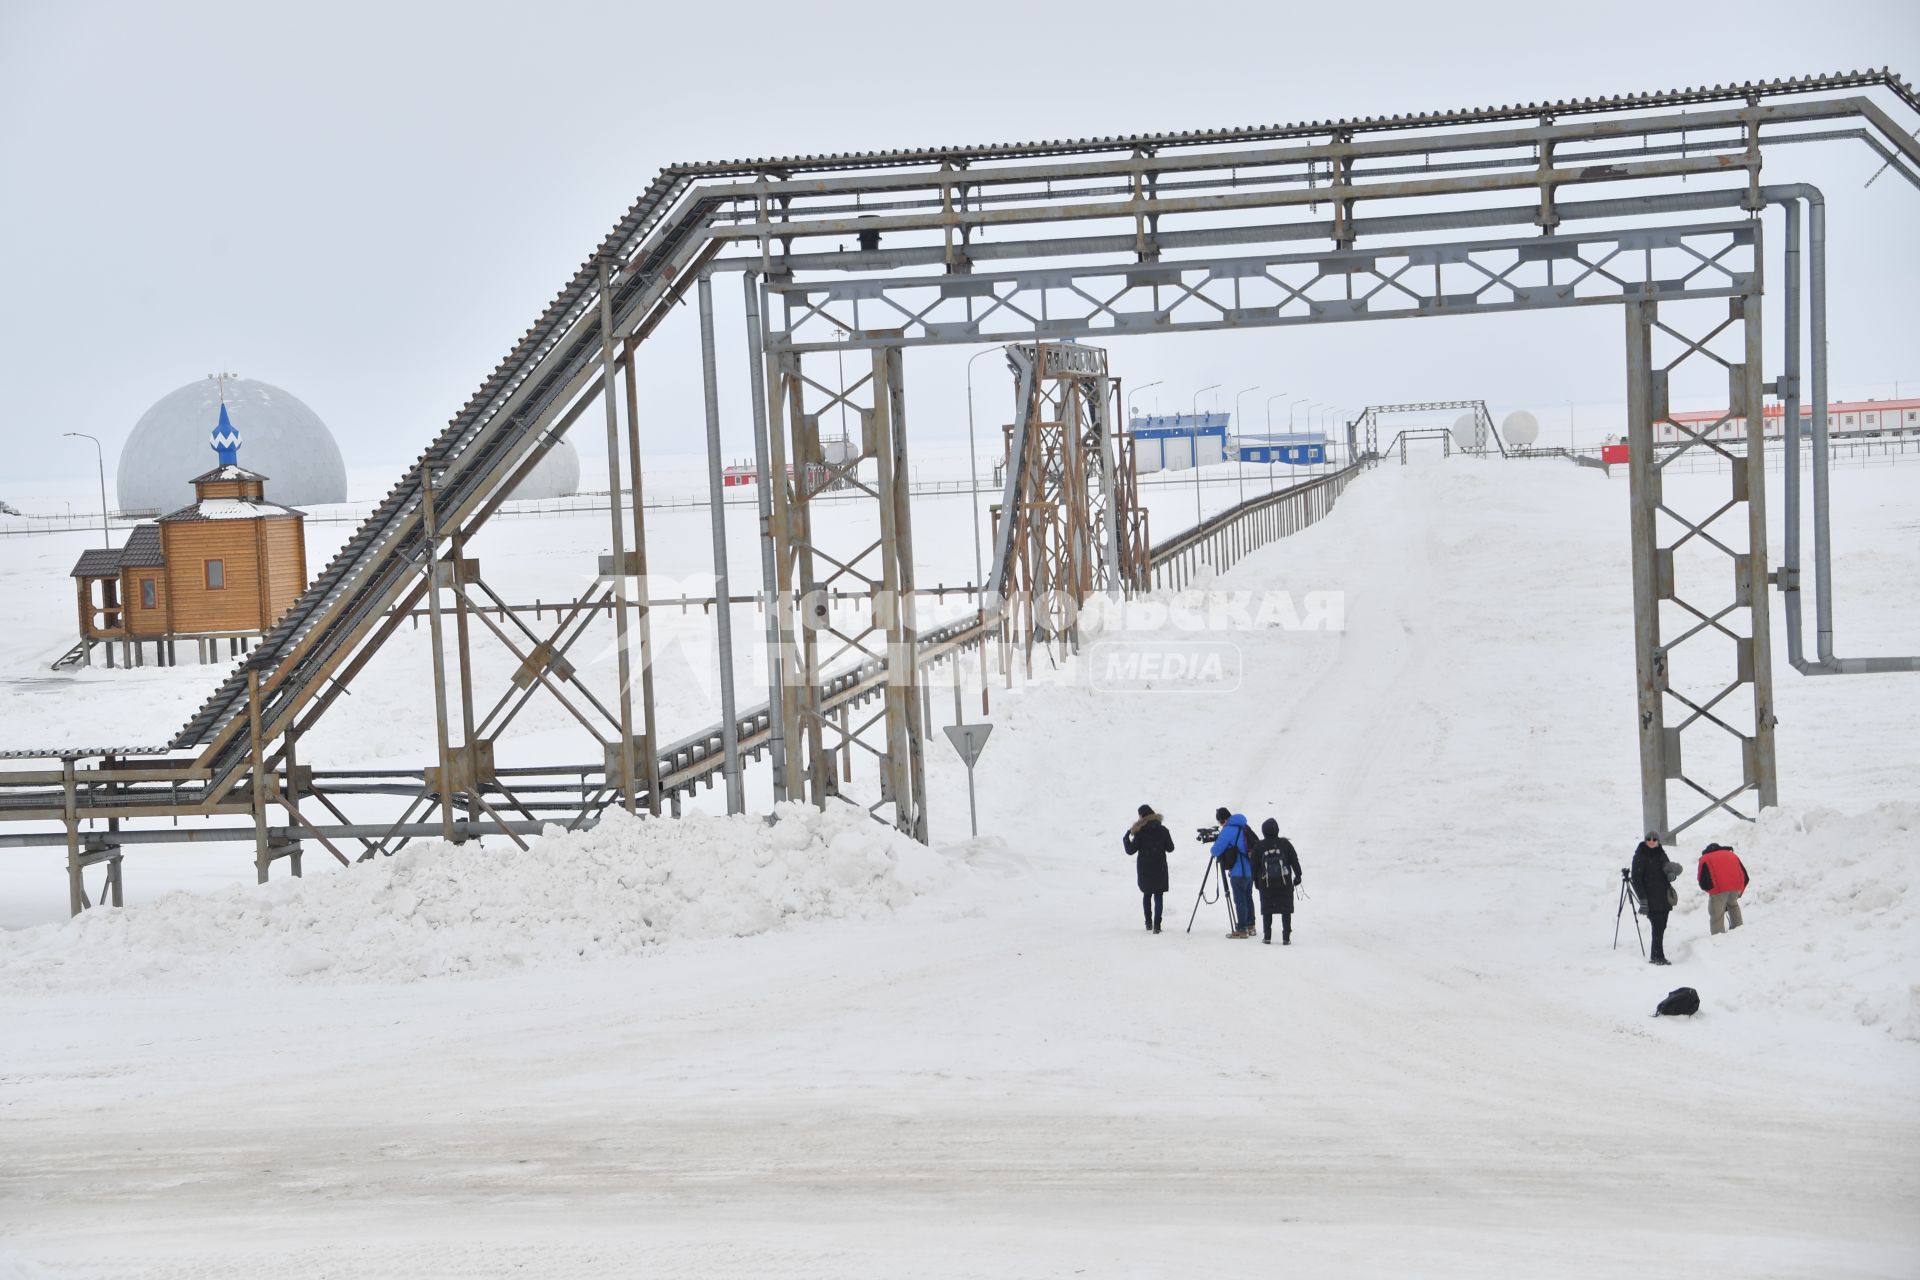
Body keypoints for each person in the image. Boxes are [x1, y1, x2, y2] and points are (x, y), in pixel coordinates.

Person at [1123, 804, 1173, 933]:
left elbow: (1130, 851)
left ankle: (1148, 923)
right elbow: (1170, 848)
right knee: (1158, 895)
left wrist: (1126, 839)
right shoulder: (1163, 830)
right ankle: (1157, 925)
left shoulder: (1140, 832)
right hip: (1160, 868)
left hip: (1145, 869)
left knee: (1147, 894)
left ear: (1142, 816)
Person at [1252, 817, 1303, 945]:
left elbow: (1254, 865)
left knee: (1267, 910)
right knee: (1285, 909)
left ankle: (1267, 937)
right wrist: (1298, 875)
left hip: (1266, 883)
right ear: (1277, 829)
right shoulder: (1285, 844)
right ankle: (1286, 937)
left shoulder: (1259, 846)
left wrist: (1255, 881)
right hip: (1284, 883)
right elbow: (1294, 860)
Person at [1208, 807, 1257, 939]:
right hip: (1250, 870)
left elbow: (1215, 851)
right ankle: (1251, 925)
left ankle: (1241, 929)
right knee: (1248, 897)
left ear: (1223, 820)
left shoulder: (1228, 830)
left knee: (1240, 900)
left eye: (1220, 822)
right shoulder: (1244, 826)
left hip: (1238, 871)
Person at [1629, 832, 1674, 965]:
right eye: (1649, 839)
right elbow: (1636, 880)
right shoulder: (1640, 856)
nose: (1652, 841)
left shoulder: (1661, 853)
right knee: (1658, 926)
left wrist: (1672, 875)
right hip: (1650, 898)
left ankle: (1657, 955)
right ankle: (1657, 956)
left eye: (1655, 839)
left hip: (1663, 897)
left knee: (1662, 926)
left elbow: (1668, 869)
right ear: (1645, 840)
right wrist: (1643, 899)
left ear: (1658, 841)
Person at [1697, 842, 1750, 934]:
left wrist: (1711, 890)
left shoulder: (1705, 858)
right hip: (1736, 886)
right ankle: (1739, 930)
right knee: (1733, 905)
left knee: (1716, 914)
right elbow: (1744, 873)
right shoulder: (1731, 854)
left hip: (1719, 889)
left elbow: (1701, 879)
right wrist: (1740, 890)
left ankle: (1718, 936)